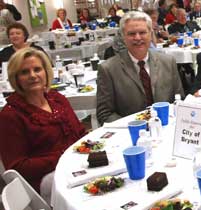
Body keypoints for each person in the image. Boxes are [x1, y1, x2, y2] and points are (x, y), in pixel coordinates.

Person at [0, 48, 87, 199]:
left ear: (46, 72)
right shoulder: (11, 115)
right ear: (16, 78)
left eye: (37, 69)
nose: (33, 76)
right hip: (46, 180)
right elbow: (17, 166)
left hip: (77, 166)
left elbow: (80, 133)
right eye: (25, 72)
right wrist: (63, 156)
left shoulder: (57, 99)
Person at [96, 11, 184, 124]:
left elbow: (179, 100)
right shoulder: (108, 69)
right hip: (130, 135)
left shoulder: (168, 62)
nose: (137, 38)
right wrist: (135, 127)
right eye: (131, 34)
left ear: (150, 34)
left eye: (142, 32)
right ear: (123, 37)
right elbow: (104, 113)